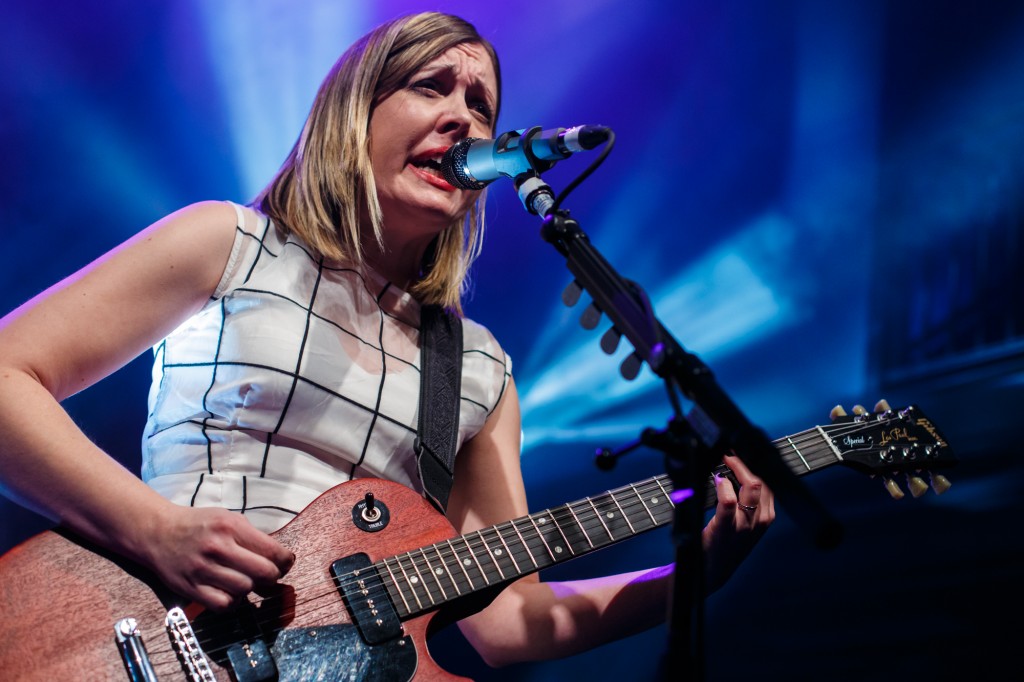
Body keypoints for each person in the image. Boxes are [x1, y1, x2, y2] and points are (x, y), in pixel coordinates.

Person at [0, 11, 774, 671]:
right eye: (431, 86)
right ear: (354, 112)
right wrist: (153, 529)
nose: (464, 119)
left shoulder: (477, 370)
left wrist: (695, 573)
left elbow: (508, 621)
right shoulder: (229, 243)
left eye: (480, 105)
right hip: (148, 637)